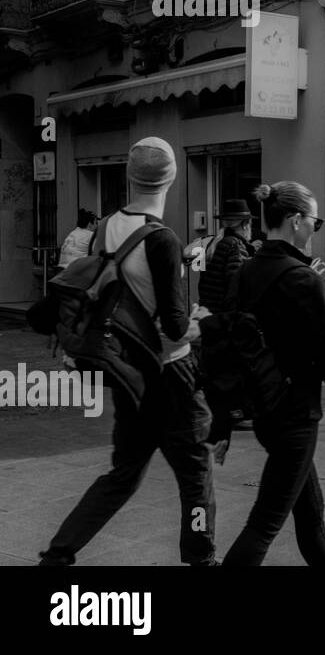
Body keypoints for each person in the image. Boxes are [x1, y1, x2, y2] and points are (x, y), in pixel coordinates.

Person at [41, 138, 215, 566]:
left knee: (122, 476)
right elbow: (174, 325)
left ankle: (59, 554)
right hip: (171, 375)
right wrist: (201, 322)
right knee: (196, 478)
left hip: (128, 373)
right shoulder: (162, 239)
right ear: (171, 179)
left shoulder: (105, 228)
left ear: (128, 176)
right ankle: (201, 557)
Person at [222, 182, 325, 565]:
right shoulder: (304, 279)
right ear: (295, 221)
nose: (315, 229)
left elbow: (229, 339)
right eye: (314, 221)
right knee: (264, 525)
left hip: (263, 409)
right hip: (295, 416)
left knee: (310, 514)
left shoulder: (245, 272)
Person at [198, 199, 254, 312]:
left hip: (208, 312)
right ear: (245, 224)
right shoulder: (235, 245)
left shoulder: (213, 243)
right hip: (224, 315)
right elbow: (237, 286)